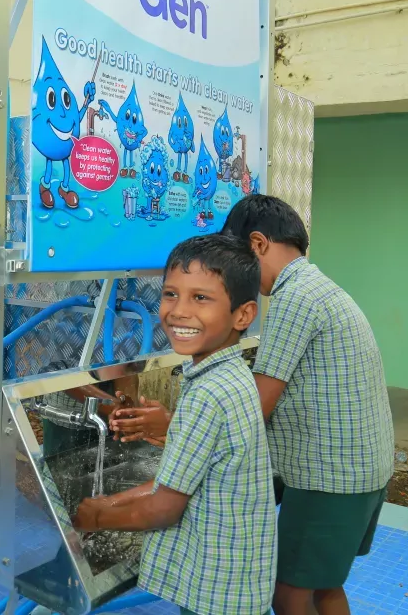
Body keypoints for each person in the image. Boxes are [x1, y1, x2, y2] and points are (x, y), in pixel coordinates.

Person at [73, 234, 276, 615]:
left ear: (243, 315)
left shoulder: (207, 395)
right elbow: (181, 476)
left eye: (201, 298)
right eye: (170, 294)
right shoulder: (230, 375)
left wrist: (97, 517)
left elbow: (164, 508)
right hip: (241, 577)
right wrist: (113, 499)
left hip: (217, 592)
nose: (179, 311)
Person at [221, 194, 394, 615]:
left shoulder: (294, 297)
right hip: (362, 471)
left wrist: (180, 424)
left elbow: (258, 403)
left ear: (258, 245)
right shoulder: (318, 286)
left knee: (290, 594)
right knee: (323, 586)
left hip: (330, 479)